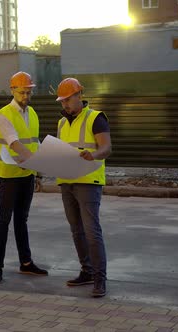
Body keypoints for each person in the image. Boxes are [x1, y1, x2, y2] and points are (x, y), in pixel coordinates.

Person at [55, 78, 112, 297]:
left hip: (88, 181)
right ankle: (87, 272)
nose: (65, 104)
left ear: (80, 95)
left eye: (68, 99)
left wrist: (93, 155)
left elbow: (106, 148)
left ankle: (100, 279)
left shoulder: (96, 118)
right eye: (62, 101)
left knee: (91, 231)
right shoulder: (61, 123)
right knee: (76, 230)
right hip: (67, 181)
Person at [0, 71, 48, 284]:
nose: (25, 96)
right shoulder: (3, 114)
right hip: (9, 175)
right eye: (21, 92)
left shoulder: (32, 113)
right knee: (4, 220)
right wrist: (34, 161)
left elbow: (35, 142)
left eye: (28, 92)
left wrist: (38, 172)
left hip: (28, 175)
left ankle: (26, 263)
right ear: (12, 90)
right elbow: (14, 143)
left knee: (21, 220)